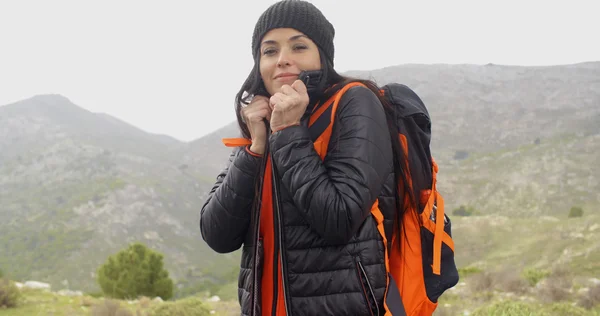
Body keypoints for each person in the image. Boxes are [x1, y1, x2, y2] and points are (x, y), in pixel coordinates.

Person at [199, 1, 415, 315]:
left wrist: (288, 130)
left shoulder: (354, 101)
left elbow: (339, 219)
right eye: (269, 51)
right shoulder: (263, 125)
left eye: (299, 46)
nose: (283, 60)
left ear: (321, 56)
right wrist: (255, 148)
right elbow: (217, 235)